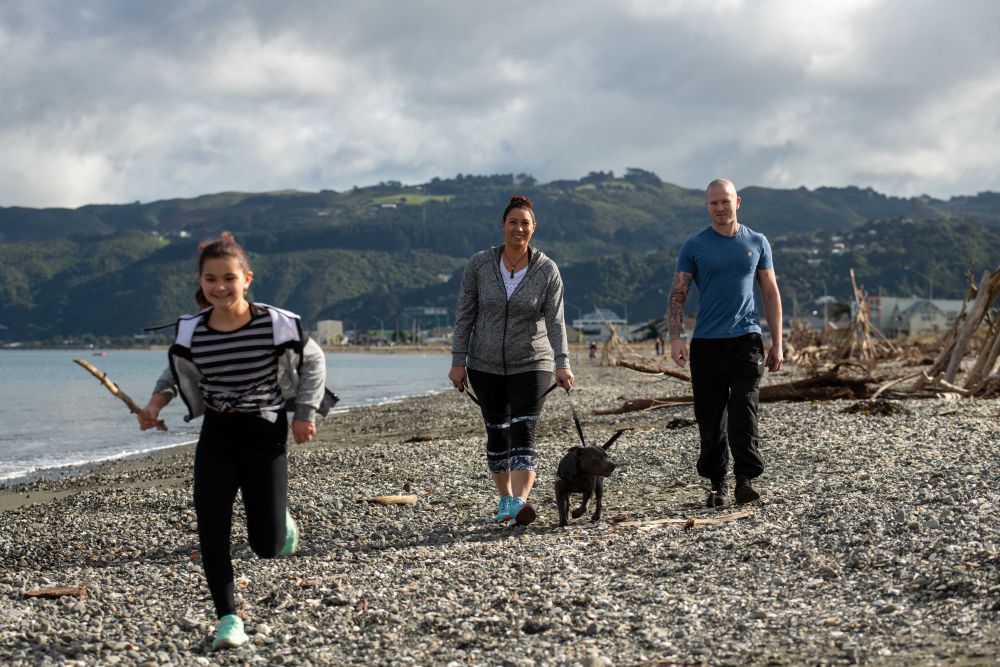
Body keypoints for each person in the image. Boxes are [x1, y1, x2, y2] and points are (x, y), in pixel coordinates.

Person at [138, 232, 329, 650]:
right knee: (211, 529)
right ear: (201, 282)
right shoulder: (193, 330)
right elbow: (174, 374)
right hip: (218, 434)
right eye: (211, 279)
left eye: (229, 277)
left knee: (267, 546)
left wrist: (305, 414)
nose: (220, 287)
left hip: (265, 433)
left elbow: (313, 361)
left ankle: (281, 524)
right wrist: (153, 407)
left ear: (247, 278)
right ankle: (229, 618)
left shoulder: (276, 323)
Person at [449, 195, 574, 526]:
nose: (519, 228)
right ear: (503, 226)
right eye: (513, 222)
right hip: (484, 363)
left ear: (534, 228)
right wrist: (457, 360)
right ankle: (505, 500)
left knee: (524, 429)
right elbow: (465, 315)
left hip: (533, 361)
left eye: (525, 223)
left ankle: (520, 502)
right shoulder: (479, 264)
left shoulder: (547, 269)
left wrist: (563, 363)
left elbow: (556, 321)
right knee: (496, 432)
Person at [666, 179, 783, 507]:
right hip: (706, 343)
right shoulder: (694, 245)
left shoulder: (757, 242)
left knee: (744, 408)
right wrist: (676, 338)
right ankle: (717, 483)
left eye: (725, 202)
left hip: (747, 339)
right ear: (707, 206)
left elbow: (770, 293)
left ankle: (745, 480)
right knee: (710, 416)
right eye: (713, 203)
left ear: (737, 202)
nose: (719, 208)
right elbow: (678, 294)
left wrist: (778, 342)